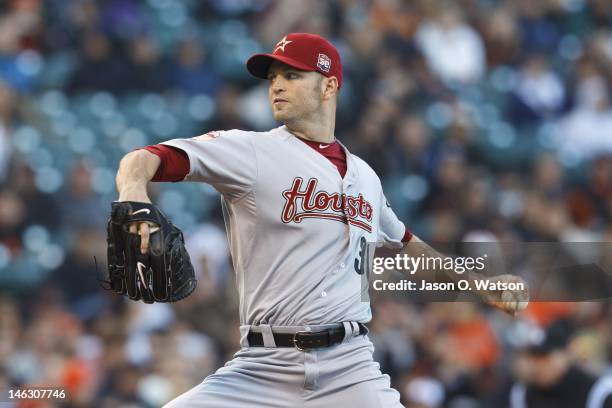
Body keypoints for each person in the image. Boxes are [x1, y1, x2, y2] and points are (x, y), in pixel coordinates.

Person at [114, 33, 527, 407]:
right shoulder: (249, 151)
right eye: (273, 76)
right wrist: (133, 196)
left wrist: (482, 288)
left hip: (349, 368)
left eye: (292, 75)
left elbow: (410, 247)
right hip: (263, 367)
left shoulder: (366, 177)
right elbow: (143, 159)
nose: (276, 85)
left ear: (329, 85)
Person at [510, 319, 612, 408]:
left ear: (566, 354)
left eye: (545, 357)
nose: (537, 365)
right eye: (533, 357)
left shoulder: (601, 392)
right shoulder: (522, 394)